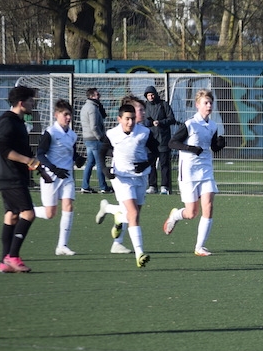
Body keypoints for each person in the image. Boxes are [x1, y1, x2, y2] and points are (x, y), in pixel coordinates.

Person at [96, 99, 158, 267]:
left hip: (141, 177)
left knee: (134, 214)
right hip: (122, 178)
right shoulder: (112, 134)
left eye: (132, 118)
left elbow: (155, 151)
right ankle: (140, 253)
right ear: (119, 119)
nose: (130, 122)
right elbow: (101, 152)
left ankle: (113, 212)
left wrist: (145, 164)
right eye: (127, 119)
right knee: (133, 213)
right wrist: (105, 170)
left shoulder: (144, 132)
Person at [164, 89, 224, 255]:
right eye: (206, 102)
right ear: (198, 105)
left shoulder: (213, 125)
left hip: (206, 170)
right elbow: (172, 143)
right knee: (191, 213)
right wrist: (190, 148)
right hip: (189, 171)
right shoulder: (189, 124)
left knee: (208, 206)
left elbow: (213, 147)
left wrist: (219, 144)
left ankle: (199, 247)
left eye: (211, 102)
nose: (209, 105)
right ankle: (175, 216)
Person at [0, 85, 48, 273]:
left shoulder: (18, 122)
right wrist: (27, 161)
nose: (33, 103)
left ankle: (5, 261)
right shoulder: (7, 122)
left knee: (12, 215)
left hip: (12, 176)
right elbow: (4, 149)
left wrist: (39, 169)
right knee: (28, 213)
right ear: (21, 103)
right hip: (11, 177)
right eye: (31, 100)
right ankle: (13, 256)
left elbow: (24, 151)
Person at [33, 99, 85, 255]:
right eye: (65, 114)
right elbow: (40, 155)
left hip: (66, 176)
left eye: (70, 115)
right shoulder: (50, 132)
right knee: (50, 214)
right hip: (50, 176)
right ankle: (27, 210)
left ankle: (62, 245)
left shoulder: (72, 135)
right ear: (56, 115)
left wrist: (78, 158)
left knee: (68, 206)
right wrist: (54, 169)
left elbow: (72, 153)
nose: (68, 118)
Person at [143, 85, 177, 195]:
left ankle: (164, 186)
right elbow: (142, 121)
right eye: (148, 95)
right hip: (151, 140)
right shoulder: (145, 106)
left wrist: (161, 122)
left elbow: (172, 119)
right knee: (151, 164)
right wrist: (149, 123)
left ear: (156, 94)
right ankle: (152, 186)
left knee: (164, 164)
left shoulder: (164, 105)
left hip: (163, 139)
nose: (151, 97)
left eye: (152, 94)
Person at [79, 87, 109, 194]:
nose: (99, 96)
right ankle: (103, 187)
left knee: (90, 162)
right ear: (91, 96)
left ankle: (85, 186)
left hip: (88, 138)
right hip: (94, 139)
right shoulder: (92, 108)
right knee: (100, 163)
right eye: (97, 94)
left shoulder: (85, 107)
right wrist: (101, 137)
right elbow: (94, 126)